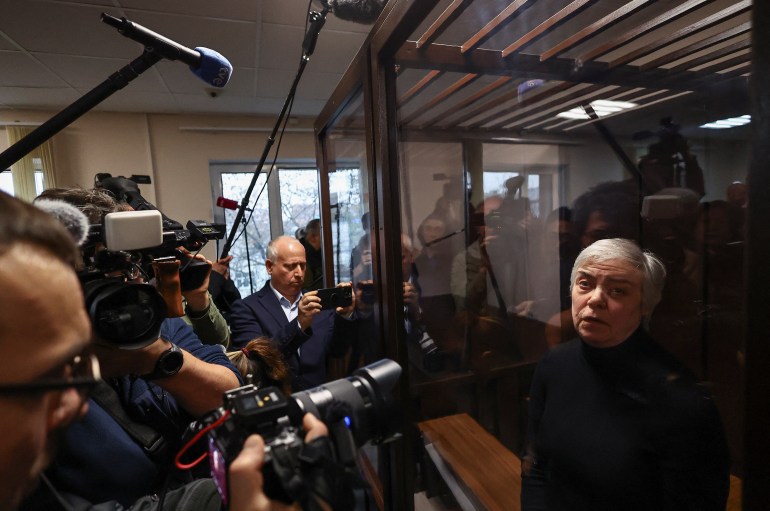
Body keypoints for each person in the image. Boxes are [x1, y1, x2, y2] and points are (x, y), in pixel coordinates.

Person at [521, 238, 729, 511]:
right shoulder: (554, 363)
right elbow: (535, 465)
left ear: (645, 304)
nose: (595, 300)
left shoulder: (681, 399)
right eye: (585, 284)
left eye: (618, 291)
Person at [229, 235, 356, 391]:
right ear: (270, 267)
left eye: (302, 266)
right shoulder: (247, 308)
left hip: (316, 399)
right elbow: (252, 363)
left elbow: (338, 351)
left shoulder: (319, 304)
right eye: (290, 266)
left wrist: (345, 317)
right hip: (275, 401)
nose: (299, 273)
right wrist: (299, 325)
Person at [299, 218, 323, 291]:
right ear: (313, 237)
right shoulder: (300, 255)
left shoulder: (320, 254)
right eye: (324, 235)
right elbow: (307, 287)